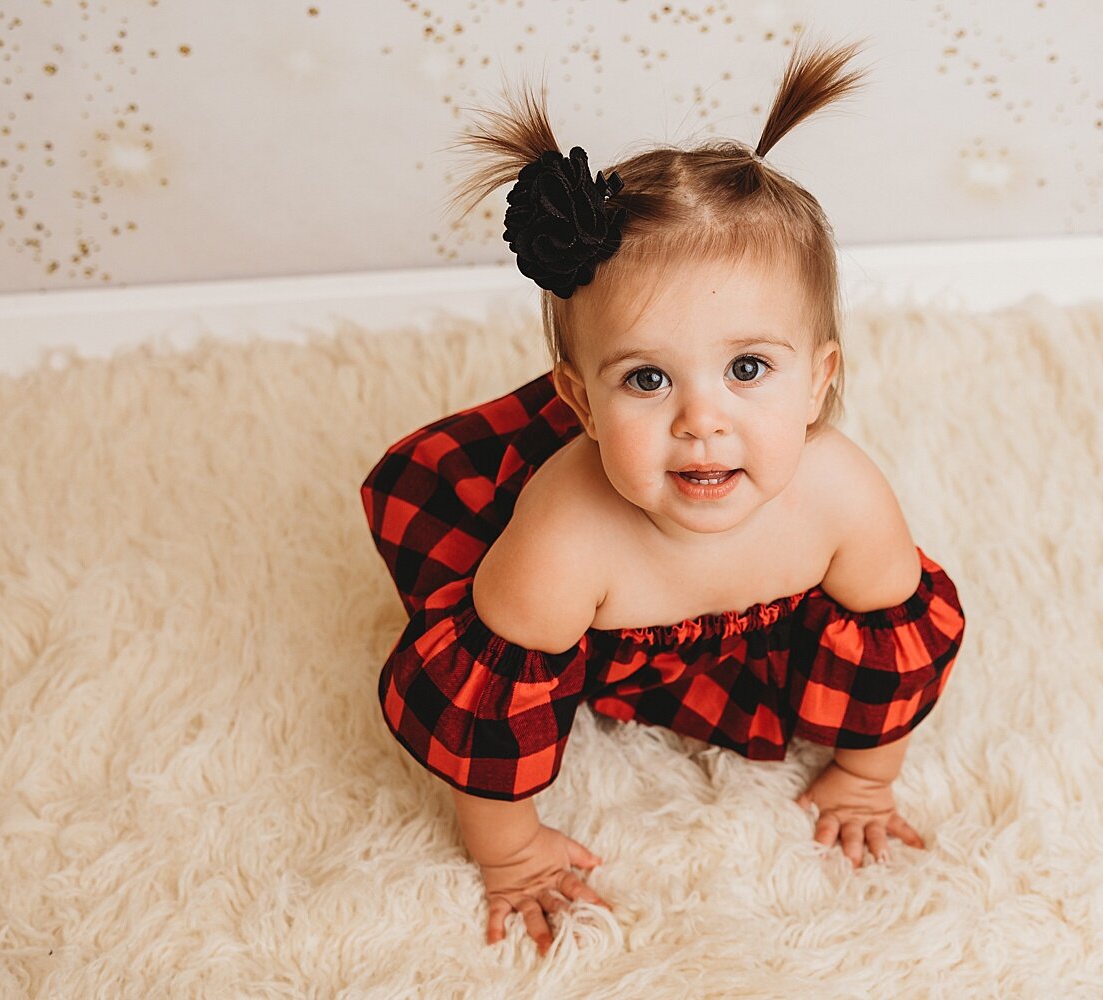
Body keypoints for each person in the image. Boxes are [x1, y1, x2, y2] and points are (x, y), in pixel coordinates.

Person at [360, 34, 967, 957]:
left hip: (741, 626)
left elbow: (893, 651)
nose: (701, 422)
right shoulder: (566, 536)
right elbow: (490, 716)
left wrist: (865, 780)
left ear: (818, 380)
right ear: (579, 401)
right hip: (588, 629)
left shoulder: (840, 496)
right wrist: (511, 852)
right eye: (646, 380)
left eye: (749, 368)